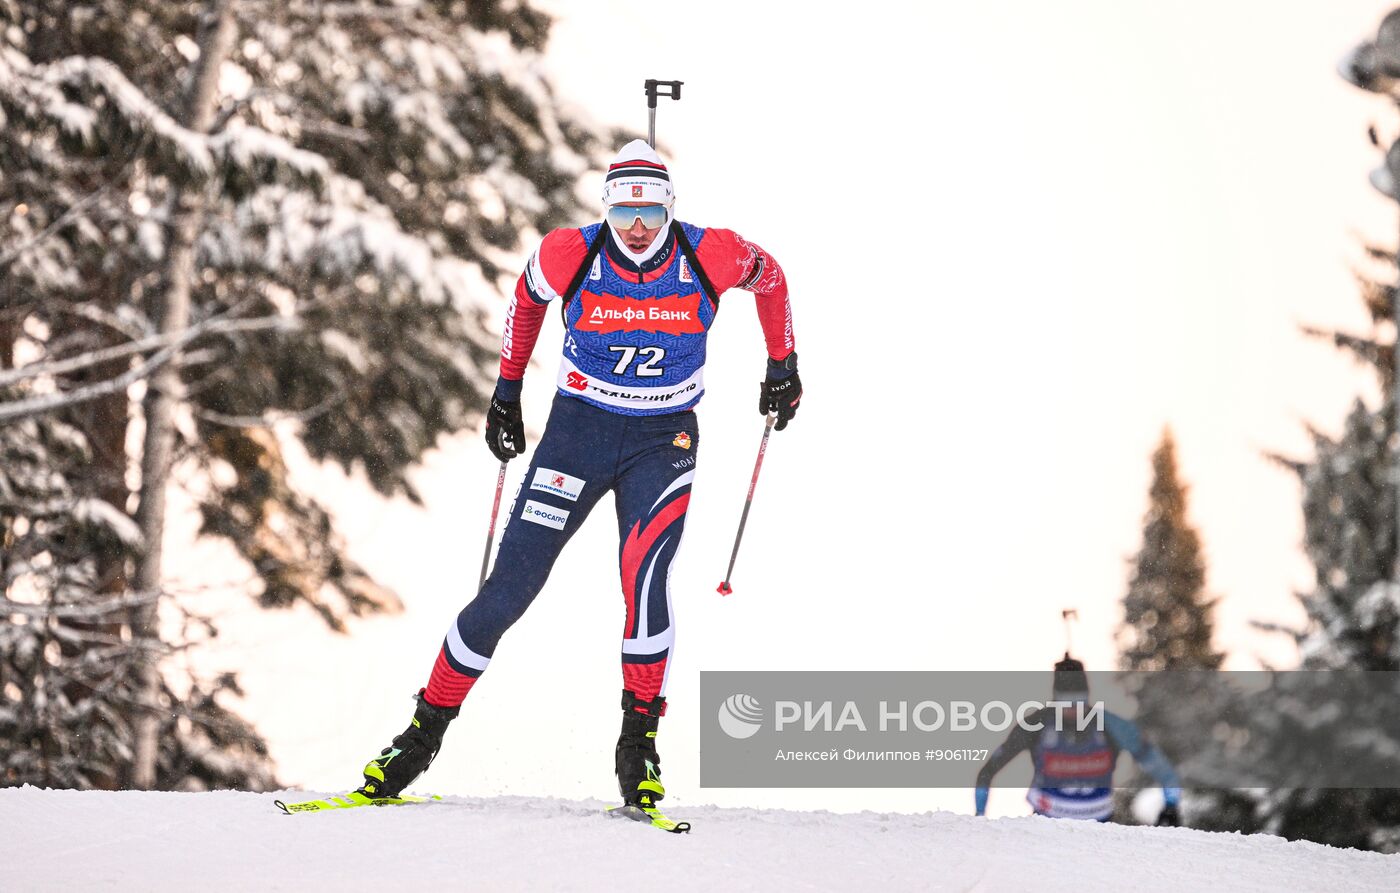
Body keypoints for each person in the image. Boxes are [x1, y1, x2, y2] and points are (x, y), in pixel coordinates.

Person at [356, 139, 800, 815]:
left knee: (645, 582)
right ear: (607, 209)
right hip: (576, 437)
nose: (639, 227)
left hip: (663, 440)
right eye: (625, 212)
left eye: (651, 210)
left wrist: (783, 365)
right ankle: (420, 735)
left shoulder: (710, 252)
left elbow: (770, 277)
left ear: (670, 206)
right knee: (508, 589)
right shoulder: (571, 250)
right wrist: (506, 393)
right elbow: (526, 299)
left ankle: (638, 746)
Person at [973, 655, 1183, 825]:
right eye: (1066, 704)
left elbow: (1162, 770)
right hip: (1045, 827)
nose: (1074, 710)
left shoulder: (1111, 725)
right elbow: (988, 770)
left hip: (1100, 827)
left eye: (1079, 702)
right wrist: (980, 816)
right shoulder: (1036, 724)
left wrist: (1171, 805)